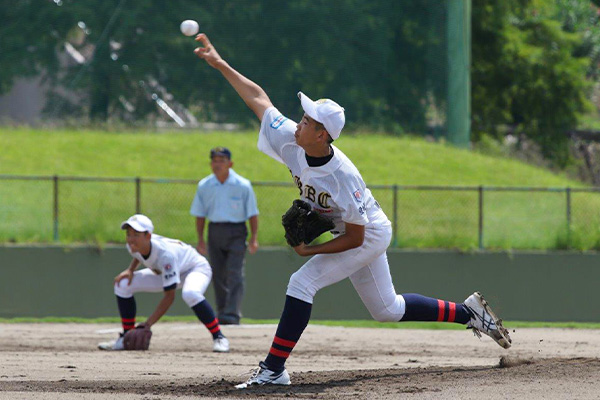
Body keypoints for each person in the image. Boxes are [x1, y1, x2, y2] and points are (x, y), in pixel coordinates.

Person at [193, 33, 512, 388]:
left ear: (323, 136)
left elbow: (357, 237)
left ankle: (273, 369)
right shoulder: (291, 140)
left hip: (367, 234)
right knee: (386, 310)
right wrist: (220, 64)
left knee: (302, 282)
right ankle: (469, 313)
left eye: (308, 120)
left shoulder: (343, 176)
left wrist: (309, 250)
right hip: (350, 230)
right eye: (303, 116)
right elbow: (258, 99)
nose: (300, 122)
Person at [98, 214, 230, 353]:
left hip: (195, 268)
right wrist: (130, 270)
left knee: (190, 293)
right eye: (128, 233)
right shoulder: (133, 245)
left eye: (136, 234)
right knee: (123, 284)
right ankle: (126, 337)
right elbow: (139, 255)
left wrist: (147, 324)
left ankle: (219, 337)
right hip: (168, 271)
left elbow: (169, 297)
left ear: (148, 236)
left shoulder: (166, 255)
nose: (131, 238)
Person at [190, 146, 259, 325]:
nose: (218, 164)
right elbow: (200, 214)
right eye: (215, 161)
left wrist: (253, 238)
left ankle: (232, 313)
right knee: (217, 273)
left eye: (222, 161)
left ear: (230, 163)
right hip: (215, 230)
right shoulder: (205, 185)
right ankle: (222, 312)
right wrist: (200, 239)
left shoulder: (243, 185)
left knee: (234, 272)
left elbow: (252, 213)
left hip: (237, 231)